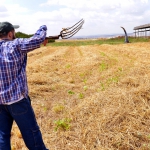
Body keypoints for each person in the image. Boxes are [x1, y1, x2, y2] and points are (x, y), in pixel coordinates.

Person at [0, 22, 48, 150]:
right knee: (32, 135)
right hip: (18, 101)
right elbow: (37, 39)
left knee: (2, 136)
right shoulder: (16, 44)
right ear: (10, 33)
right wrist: (43, 27)